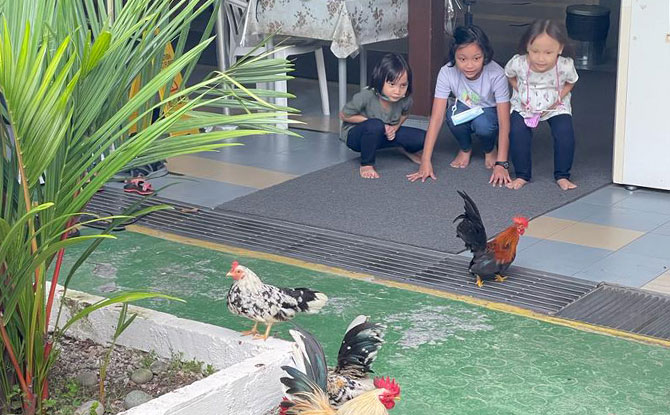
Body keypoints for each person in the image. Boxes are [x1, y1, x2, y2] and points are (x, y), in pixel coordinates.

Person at [407, 25, 511, 186]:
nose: (469, 65)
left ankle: (490, 149)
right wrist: (425, 161)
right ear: (454, 56)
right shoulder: (446, 72)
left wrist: (502, 163)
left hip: (489, 112)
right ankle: (465, 148)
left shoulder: (496, 73)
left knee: (483, 125)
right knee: (451, 115)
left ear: (485, 55)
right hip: (464, 108)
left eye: (476, 58)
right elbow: (437, 117)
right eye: (462, 59)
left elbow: (504, 121)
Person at [504, 19, 579, 191]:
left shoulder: (565, 65)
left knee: (565, 135)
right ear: (527, 48)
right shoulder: (518, 63)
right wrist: (519, 90)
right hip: (525, 105)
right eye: (535, 51)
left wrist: (560, 97)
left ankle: (562, 175)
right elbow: (509, 75)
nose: (540, 58)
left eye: (548, 52)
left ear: (559, 49)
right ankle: (522, 174)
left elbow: (571, 81)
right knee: (517, 134)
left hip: (555, 106)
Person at [339, 53, 425, 179]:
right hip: (358, 136)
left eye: (403, 85)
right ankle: (367, 164)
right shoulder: (367, 95)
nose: (397, 91)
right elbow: (343, 115)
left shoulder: (405, 99)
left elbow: (405, 114)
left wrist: (395, 127)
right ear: (380, 80)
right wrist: (377, 124)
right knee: (375, 125)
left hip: (385, 135)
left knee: (423, 138)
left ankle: (401, 148)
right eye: (392, 84)